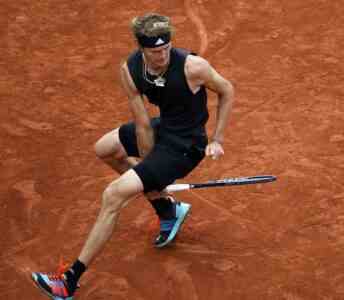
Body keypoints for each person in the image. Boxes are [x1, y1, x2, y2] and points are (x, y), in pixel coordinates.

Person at [30, 12, 234, 299]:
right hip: (162, 131)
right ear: (142, 49)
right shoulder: (131, 69)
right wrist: (151, 170)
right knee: (105, 148)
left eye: (166, 49)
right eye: (155, 51)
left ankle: (69, 281)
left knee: (113, 195)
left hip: (186, 145)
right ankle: (167, 210)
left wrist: (217, 139)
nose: (162, 56)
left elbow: (227, 90)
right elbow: (141, 123)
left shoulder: (193, 67)